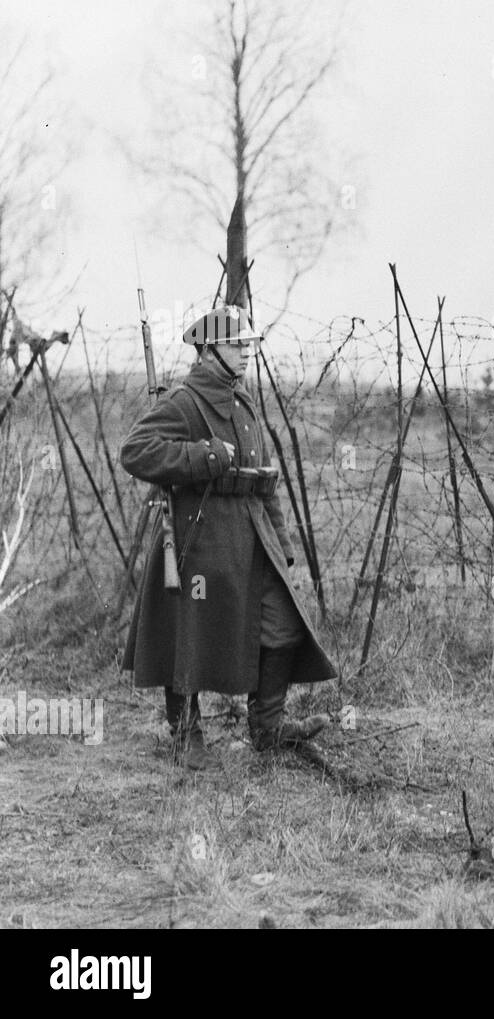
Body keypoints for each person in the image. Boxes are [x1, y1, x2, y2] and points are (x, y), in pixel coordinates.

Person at [120, 304, 336, 770]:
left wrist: (280, 541)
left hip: (252, 534)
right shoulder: (184, 402)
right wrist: (201, 456)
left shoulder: (242, 401)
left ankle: (269, 726)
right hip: (202, 536)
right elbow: (135, 451)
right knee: (188, 635)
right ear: (208, 350)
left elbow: (262, 478)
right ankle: (185, 735)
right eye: (237, 345)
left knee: (282, 623)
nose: (246, 353)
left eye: (247, 345)